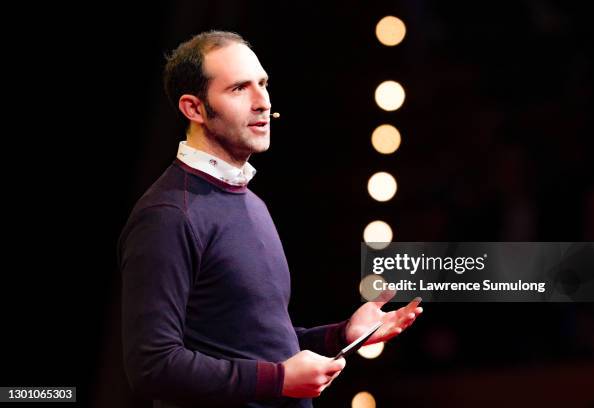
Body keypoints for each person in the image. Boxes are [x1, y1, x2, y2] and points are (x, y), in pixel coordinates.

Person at [118, 30, 423, 408]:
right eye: (238, 89)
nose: (262, 102)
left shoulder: (251, 202)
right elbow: (153, 366)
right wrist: (279, 380)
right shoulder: (168, 215)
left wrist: (342, 335)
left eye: (263, 84)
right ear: (194, 109)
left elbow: (254, 343)